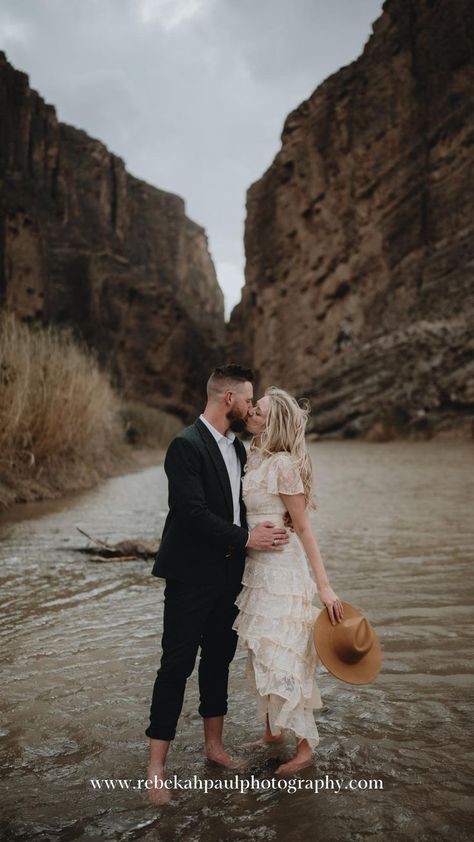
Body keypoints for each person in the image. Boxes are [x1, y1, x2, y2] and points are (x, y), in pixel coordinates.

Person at [144, 365, 290, 803]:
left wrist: (281, 528)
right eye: (248, 400)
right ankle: (155, 770)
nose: (251, 407)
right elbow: (191, 514)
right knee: (175, 666)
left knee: (217, 663)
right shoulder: (184, 446)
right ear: (229, 398)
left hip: (230, 577)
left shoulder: (239, 450)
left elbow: (244, 507)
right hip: (190, 576)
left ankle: (215, 748)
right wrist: (248, 537)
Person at [233, 386, 344, 775]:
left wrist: (324, 586)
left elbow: (304, 528)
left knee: (286, 653)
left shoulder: (283, 464)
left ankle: (304, 747)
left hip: (283, 570)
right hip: (256, 570)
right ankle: (272, 732)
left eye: (258, 412)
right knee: (260, 650)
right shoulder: (252, 458)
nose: (251, 414)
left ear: (273, 421)